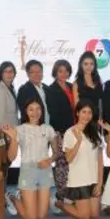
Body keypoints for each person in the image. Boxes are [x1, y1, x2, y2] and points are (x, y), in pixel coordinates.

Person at [9, 99, 57, 219]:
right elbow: (11, 157)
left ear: (42, 110)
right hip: (28, 170)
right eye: (31, 109)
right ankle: (13, 198)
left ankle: (27, 199)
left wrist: (50, 160)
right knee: (31, 218)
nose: (35, 112)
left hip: (45, 171)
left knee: (41, 217)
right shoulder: (19, 129)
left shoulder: (48, 129)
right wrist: (13, 138)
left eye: (38, 109)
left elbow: (56, 153)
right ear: (26, 111)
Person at [57, 100, 103, 219]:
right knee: (85, 216)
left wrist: (100, 183)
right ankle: (61, 203)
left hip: (93, 179)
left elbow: (100, 161)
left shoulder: (95, 133)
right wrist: (78, 141)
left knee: (95, 214)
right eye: (83, 112)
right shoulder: (70, 132)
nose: (86, 116)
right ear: (77, 113)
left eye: (89, 112)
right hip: (79, 180)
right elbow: (69, 159)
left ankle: (77, 204)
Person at [47, 60, 76, 198]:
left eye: (66, 71)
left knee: (73, 161)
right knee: (61, 163)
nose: (64, 74)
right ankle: (61, 193)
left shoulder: (72, 86)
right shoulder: (51, 89)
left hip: (74, 130)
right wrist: (62, 132)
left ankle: (73, 191)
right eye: (60, 71)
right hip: (60, 131)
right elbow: (53, 113)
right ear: (55, 72)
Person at [17, 60, 49, 124]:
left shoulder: (46, 88)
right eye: (33, 72)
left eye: (39, 71)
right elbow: (24, 113)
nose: (37, 74)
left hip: (48, 126)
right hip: (33, 127)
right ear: (27, 74)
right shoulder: (23, 90)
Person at [0, 61, 20, 128]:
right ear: (1, 74)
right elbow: (0, 118)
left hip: (13, 128)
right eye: (5, 72)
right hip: (5, 130)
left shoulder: (11, 88)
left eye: (11, 71)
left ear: (14, 73)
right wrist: (7, 132)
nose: (8, 74)